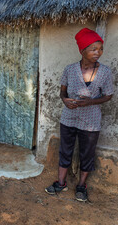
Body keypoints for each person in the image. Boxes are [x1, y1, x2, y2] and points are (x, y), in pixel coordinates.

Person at [45, 28, 114, 202]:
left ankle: (81, 186)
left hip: (91, 121)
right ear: (82, 50)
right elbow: (62, 92)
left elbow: (109, 95)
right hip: (68, 118)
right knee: (65, 151)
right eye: (93, 49)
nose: (98, 52)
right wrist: (65, 100)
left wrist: (89, 102)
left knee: (87, 153)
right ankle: (61, 183)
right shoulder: (69, 69)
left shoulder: (105, 72)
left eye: (100, 49)